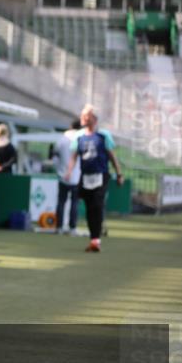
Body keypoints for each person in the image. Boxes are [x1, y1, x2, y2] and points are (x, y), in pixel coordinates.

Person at [65, 104, 124, 253]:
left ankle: (96, 240)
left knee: (97, 205)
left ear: (94, 119)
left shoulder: (103, 136)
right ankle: (93, 238)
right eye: (82, 115)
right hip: (85, 177)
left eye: (86, 115)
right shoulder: (78, 136)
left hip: (101, 176)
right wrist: (69, 171)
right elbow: (73, 157)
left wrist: (119, 174)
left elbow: (112, 157)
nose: (82, 118)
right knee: (90, 208)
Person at [54, 119, 82, 234]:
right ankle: (72, 228)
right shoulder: (81, 139)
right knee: (74, 203)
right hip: (77, 177)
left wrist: (59, 170)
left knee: (61, 201)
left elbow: (55, 157)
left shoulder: (62, 139)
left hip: (62, 176)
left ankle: (59, 227)